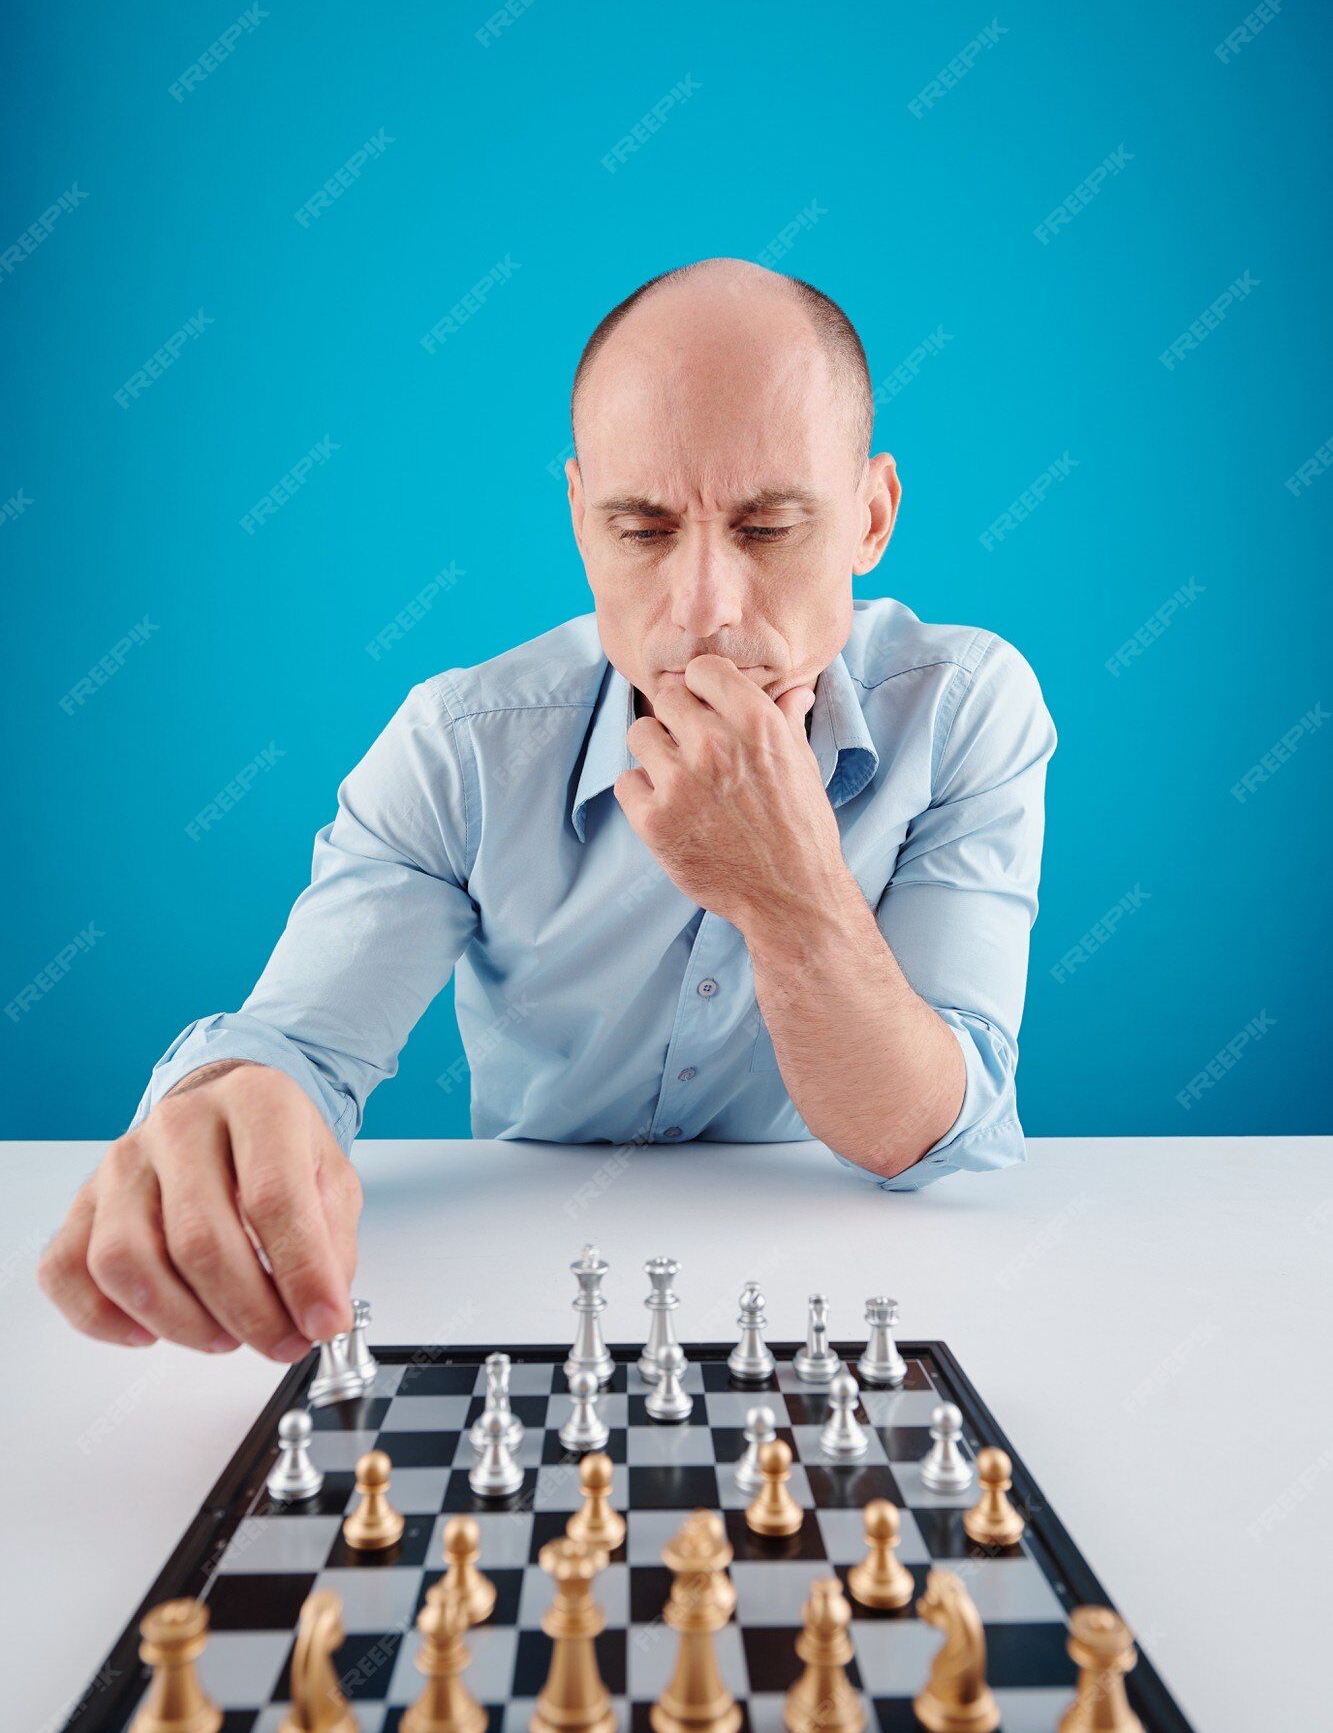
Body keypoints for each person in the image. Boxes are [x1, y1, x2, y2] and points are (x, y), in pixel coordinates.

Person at [38, 258, 1056, 1362]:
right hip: (532, 1308)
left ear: (869, 517)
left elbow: (926, 1128)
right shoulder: (460, 744)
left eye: (767, 529)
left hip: (856, 1312)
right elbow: (299, 1049)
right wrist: (231, 1101)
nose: (706, 609)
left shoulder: (965, 710)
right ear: (579, 516)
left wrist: (785, 886)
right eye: (642, 528)